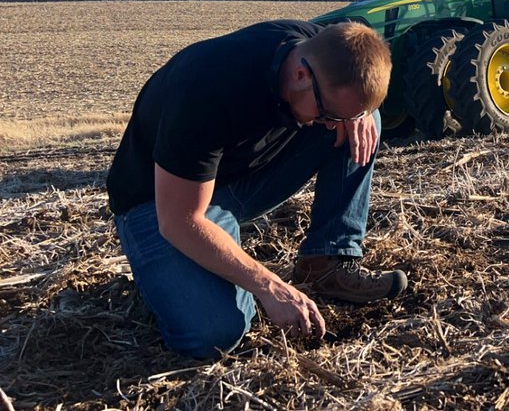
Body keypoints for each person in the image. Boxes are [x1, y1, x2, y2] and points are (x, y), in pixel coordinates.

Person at [105, 19, 407, 359]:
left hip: (234, 181)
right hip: (160, 203)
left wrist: (358, 115)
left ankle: (327, 262)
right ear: (301, 76)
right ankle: (164, 281)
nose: (332, 126)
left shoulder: (317, 48)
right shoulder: (205, 90)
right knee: (216, 334)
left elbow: (355, 45)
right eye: (328, 114)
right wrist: (270, 286)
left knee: (366, 126)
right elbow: (179, 220)